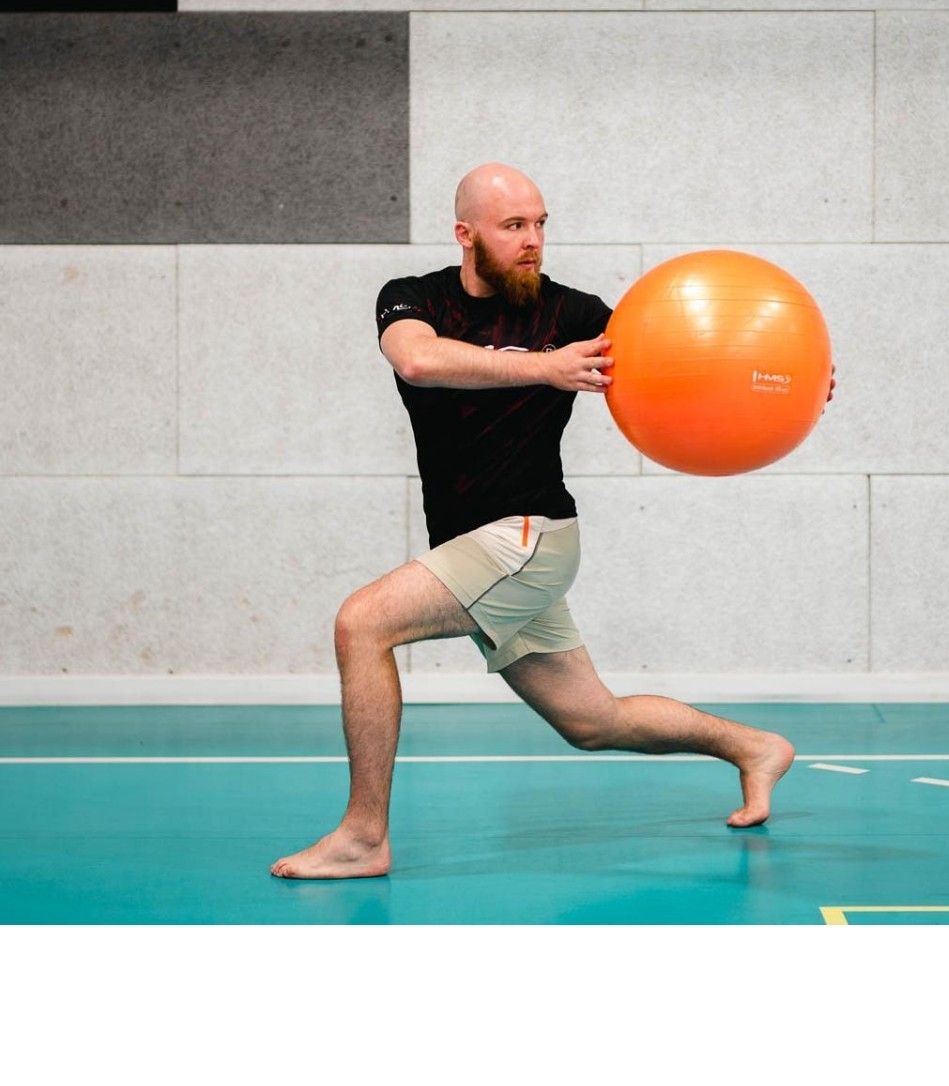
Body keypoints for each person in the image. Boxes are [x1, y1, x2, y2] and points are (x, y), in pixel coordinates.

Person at [271, 163, 834, 879]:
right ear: (466, 233)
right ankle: (755, 748)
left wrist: (788, 382)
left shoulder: (574, 315)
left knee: (363, 624)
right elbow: (417, 360)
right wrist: (545, 368)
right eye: (513, 226)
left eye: (539, 223)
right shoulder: (415, 298)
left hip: (527, 537)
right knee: (593, 721)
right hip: (481, 545)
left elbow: (696, 358)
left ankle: (363, 838)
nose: (533, 239)